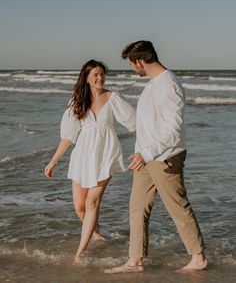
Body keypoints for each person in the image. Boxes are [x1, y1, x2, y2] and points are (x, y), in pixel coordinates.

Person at [105, 40, 208, 274]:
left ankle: (198, 257)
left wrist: (147, 152)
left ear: (140, 61)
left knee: (177, 206)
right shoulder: (153, 84)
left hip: (165, 158)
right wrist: (140, 150)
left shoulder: (169, 85)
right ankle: (135, 260)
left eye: (132, 64)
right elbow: (147, 124)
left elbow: (173, 130)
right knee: (137, 207)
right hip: (146, 157)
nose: (133, 68)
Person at [44, 59, 135, 263]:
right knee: (80, 208)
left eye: (102, 74)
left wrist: (147, 149)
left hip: (105, 155)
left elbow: (135, 121)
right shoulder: (77, 101)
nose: (99, 78)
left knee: (92, 202)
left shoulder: (112, 98)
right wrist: (53, 162)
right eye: (95, 74)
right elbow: (67, 137)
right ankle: (95, 232)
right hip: (82, 156)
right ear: (86, 77)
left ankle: (80, 252)